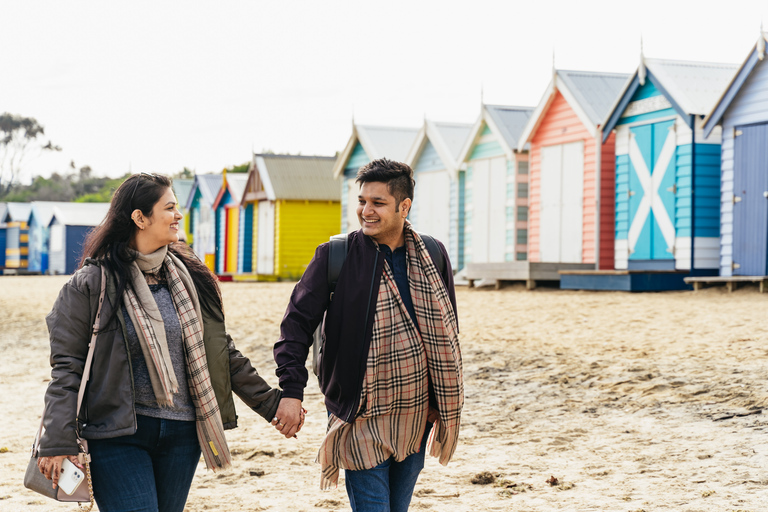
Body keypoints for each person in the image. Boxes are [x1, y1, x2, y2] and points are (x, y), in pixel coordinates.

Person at [36, 173, 299, 512]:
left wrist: (272, 405)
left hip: (182, 433)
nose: (178, 215)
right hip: (117, 434)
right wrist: (56, 440)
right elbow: (67, 367)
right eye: (170, 208)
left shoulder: (190, 277)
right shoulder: (92, 284)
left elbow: (219, 352)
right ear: (139, 218)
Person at [272, 158, 464, 511]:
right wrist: (291, 390)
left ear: (404, 206)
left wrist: (437, 402)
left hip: (415, 415)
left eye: (378, 203)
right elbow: (295, 324)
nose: (366, 211)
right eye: (362, 201)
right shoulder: (336, 255)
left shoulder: (433, 255)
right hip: (358, 414)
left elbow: (447, 334)